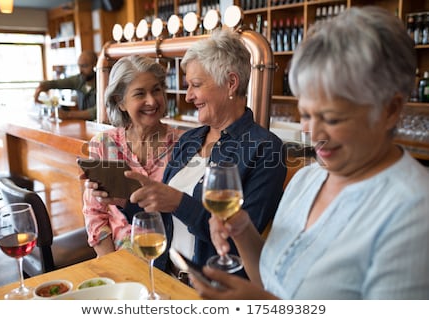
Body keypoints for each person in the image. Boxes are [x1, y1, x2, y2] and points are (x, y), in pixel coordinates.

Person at [190, 6, 429, 299]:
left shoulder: (414, 211)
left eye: (332, 118)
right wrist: (241, 230)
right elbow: (272, 279)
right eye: (306, 114)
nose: (314, 135)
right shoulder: (308, 178)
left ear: (390, 110)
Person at [119, 29, 288, 279]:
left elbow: (240, 240)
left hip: (211, 290)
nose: (188, 96)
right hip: (164, 276)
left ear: (231, 83)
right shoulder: (189, 139)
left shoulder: (265, 149)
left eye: (196, 85)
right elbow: (163, 221)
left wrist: (178, 201)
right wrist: (127, 201)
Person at [82, 55, 182, 256]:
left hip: (170, 258)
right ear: (120, 102)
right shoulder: (103, 144)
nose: (152, 101)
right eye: (140, 94)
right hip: (118, 259)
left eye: (156, 90)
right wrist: (113, 267)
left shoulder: (185, 145)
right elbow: (95, 214)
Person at [34, 50, 98, 121]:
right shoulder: (79, 80)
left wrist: (67, 114)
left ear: (95, 64)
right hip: (86, 125)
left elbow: (96, 112)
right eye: (79, 66)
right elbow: (56, 83)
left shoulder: (102, 83)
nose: (80, 70)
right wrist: (41, 87)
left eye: (84, 66)